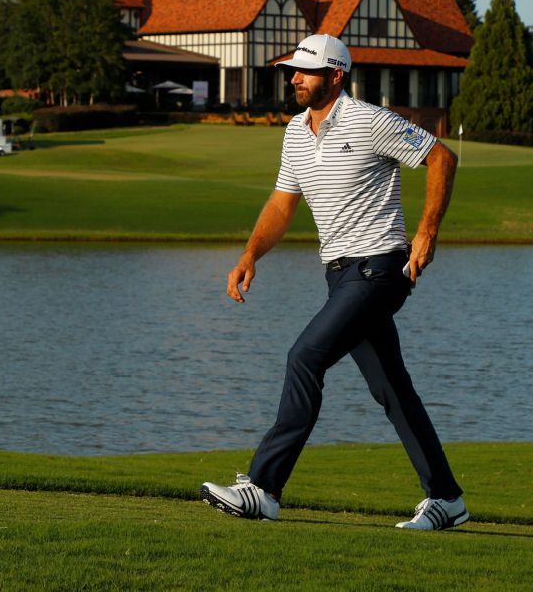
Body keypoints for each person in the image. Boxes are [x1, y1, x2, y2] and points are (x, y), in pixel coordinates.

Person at [200, 34, 467, 531]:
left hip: (381, 269)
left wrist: (428, 231)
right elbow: (283, 203)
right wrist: (250, 254)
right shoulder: (295, 132)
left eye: (304, 71)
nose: (294, 79)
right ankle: (447, 498)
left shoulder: (369, 120)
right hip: (340, 275)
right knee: (392, 389)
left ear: (336, 75)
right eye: (291, 72)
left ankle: (263, 488)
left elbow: (441, 157)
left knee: (306, 357)